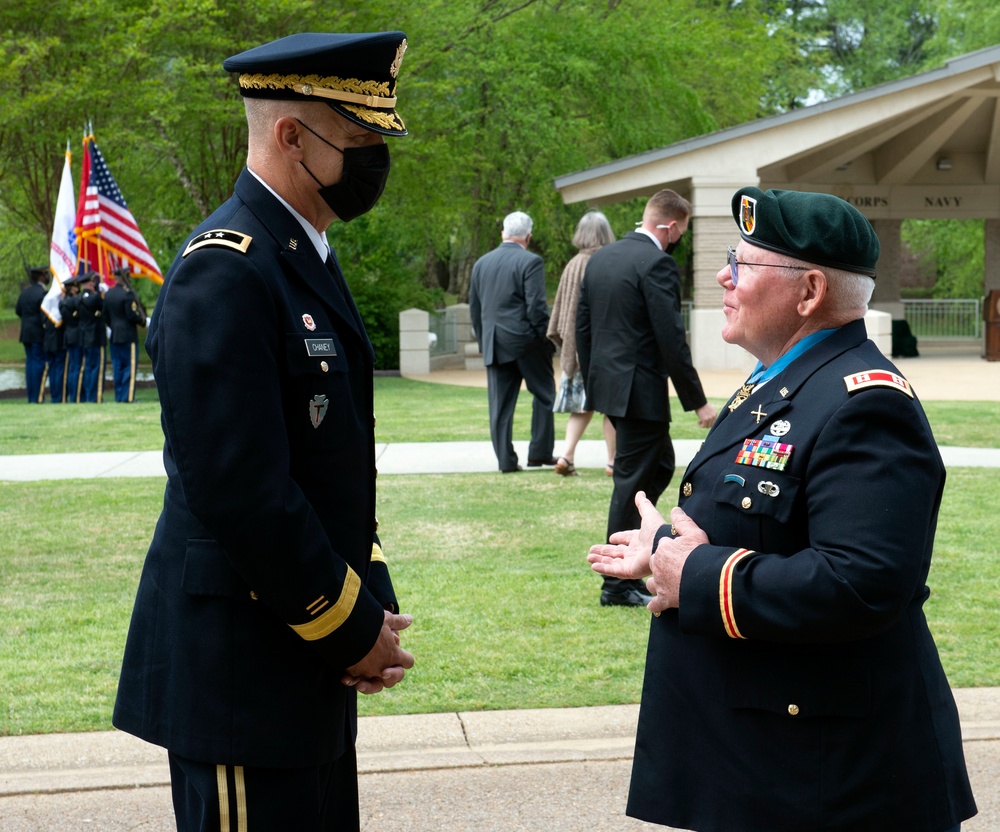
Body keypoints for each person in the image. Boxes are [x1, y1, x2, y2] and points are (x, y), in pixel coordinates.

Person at [587, 187, 977, 832]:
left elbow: (862, 581)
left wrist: (698, 577)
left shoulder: (865, 402)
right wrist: (661, 553)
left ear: (809, 291)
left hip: (833, 779)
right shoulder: (781, 378)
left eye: (742, 263)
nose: (722, 276)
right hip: (771, 759)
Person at [113, 31, 414, 832]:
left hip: (300, 663)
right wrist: (349, 628)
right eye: (357, 141)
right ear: (290, 136)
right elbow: (240, 491)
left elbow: (330, 469)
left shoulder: (301, 253)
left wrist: (369, 599)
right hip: (243, 674)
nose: (374, 159)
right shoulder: (228, 266)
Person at [577, 189, 716, 606]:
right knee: (633, 481)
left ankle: (640, 549)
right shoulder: (657, 263)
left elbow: (583, 329)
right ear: (669, 226)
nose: (677, 242)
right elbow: (670, 338)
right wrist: (698, 401)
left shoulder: (600, 258)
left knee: (660, 466)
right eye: (680, 234)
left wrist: (594, 383)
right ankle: (616, 583)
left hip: (611, 386)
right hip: (639, 389)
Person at [469, 210, 557, 472]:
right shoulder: (531, 262)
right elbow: (537, 308)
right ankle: (539, 454)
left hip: (494, 343)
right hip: (527, 343)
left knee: (499, 406)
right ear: (528, 237)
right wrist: (544, 338)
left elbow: (475, 310)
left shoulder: (481, 263)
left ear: (503, 233)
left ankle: (506, 462)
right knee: (545, 395)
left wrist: (485, 342)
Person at [546, 210, 617, 477]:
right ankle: (612, 461)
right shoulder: (608, 262)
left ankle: (566, 455)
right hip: (602, 349)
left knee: (581, 407)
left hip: (575, 350)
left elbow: (562, 312)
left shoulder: (572, 264)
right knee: (611, 408)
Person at [103, 268, 147, 402]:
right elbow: (131, 315)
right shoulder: (128, 294)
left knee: (117, 367)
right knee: (129, 366)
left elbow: (105, 316)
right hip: (128, 335)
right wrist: (143, 321)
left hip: (115, 335)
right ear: (127, 278)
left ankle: (119, 397)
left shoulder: (108, 294)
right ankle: (128, 397)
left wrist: (113, 327)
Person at [15, 266, 48, 403]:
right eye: (45, 275)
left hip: (26, 333)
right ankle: (38, 396)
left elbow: (18, 310)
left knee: (30, 364)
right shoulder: (43, 293)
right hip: (38, 333)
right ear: (41, 277)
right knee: (38, 364)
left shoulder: (24, 293)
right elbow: (45, 314)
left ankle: (32, 396)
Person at [77, 272, 106, 403]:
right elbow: (97, 302)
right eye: (92, 282)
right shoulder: (91, 298)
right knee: (96, 369)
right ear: (89, 283)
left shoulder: (79, 298)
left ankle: (90, 396)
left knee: (89, 368)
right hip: (95, 337)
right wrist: (100, 291)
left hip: (85, 338)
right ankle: (95, 396)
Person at [41, 284, 67, 403]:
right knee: (58, 371)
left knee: (52, 371)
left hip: (48, 343)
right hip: (58, 344)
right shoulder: (57, 311)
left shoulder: (46, 311)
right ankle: (58, 396)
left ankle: (54, 396)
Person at [59, 275, 83, 402]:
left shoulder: (63, 301)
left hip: (69, 336)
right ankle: (75, 396)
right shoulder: (72, 301)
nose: (77, 288)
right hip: (76, 335)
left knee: (73, 367)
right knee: (76, 368)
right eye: (75, 286)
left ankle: (73, 395)